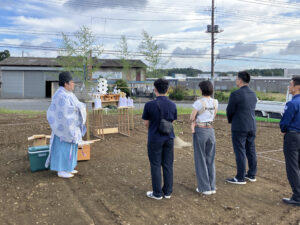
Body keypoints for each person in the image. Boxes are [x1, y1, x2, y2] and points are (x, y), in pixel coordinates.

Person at [46, 71, 86, 178]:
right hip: (63, 129)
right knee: (62, 148)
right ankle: (61, 170)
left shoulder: (69, 94)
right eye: (72, 82)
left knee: (71, 148)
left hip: (72, 127)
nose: (73, 84)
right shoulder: (60, 95)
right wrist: (78, 108)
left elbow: (77, 105)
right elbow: (64, 112)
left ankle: (69, 167)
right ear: (66, 83)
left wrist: (81, 107)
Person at [142, 78, 177, 200]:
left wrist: (152, 128)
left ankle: (157, 193)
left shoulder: (149, 105)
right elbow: (172, 120)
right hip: (169, 138)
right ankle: (167, 192)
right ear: (167, 90)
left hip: (154, 138)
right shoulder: (172, 105)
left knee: (155, 165)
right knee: (168, 165)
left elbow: (146, 123)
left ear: (155, 89)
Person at [226, 71, 257, 184]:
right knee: (251, 150)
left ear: (240, 80)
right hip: (252, 125)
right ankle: (252, 174)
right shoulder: (253, 94)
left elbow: (230, 110)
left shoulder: (236, 94)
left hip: (239, 126)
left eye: (236, 79)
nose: (235, 81)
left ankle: (240, 177)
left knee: (240, 151)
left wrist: (231, 120)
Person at [190, 80, 218, 195]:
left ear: (202, 90)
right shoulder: (215, 102)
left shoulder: (199, 102)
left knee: (200, 159)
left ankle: (204, 188)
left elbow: (192, 117)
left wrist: (193, 122)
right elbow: (214, 115)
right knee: (210, 159)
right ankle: (212, 186)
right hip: (211, 130)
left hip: (200, 130)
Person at [280, 76, 300, 206]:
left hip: (293, 136)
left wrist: (283, 127)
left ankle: (297, 196)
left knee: (292, 167)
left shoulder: (292, 103)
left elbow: (284, 124)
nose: (289, 87)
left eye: (291, 84)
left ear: (297, 87)